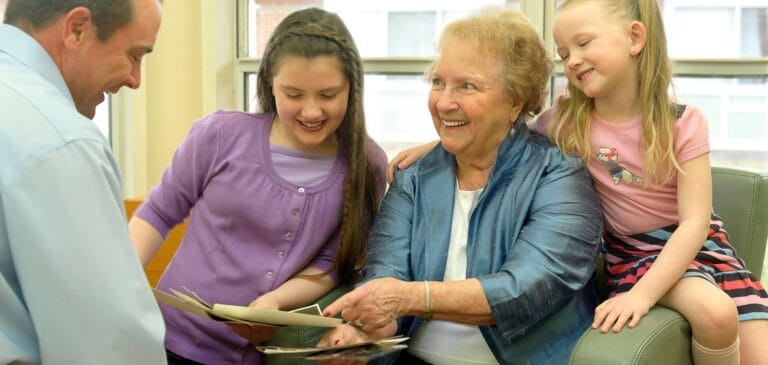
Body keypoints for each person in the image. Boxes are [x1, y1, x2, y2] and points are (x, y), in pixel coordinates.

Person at [392, 1, 768, 364]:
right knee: (717, 315)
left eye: (584, 43)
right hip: (636, 255)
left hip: (699, 244)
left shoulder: (684, 122)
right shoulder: (568, 121)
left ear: (635, 38)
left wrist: (642, 297)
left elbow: (695, 223)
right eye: (563, 52)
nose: (572, 60)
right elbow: (501, 128)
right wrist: (438, 144)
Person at [317, 9, 603, 364]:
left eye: (466, 86)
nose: (444, 102)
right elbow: (386, 275)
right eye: (438, 82)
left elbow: (526, 289)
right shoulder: (413, 177)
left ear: (515, 100)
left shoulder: (559, 176)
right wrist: (366, 331)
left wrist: (410, 298)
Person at [128, 7, 387, 365]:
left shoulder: (367, 165)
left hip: (248, 356)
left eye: (328, 95)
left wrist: (274, 303)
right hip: (163, 342)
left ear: (352, 89)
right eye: (294, 94)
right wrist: (121, 282)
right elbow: (159, 212)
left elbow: (330, 263)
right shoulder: (220, 135)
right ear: (269, 84)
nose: (311, 112)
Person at [0, 0, 166, 364]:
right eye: (134, 55)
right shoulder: (60, 142)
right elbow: (112, 346)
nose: (135, 80)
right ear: (77, 29)